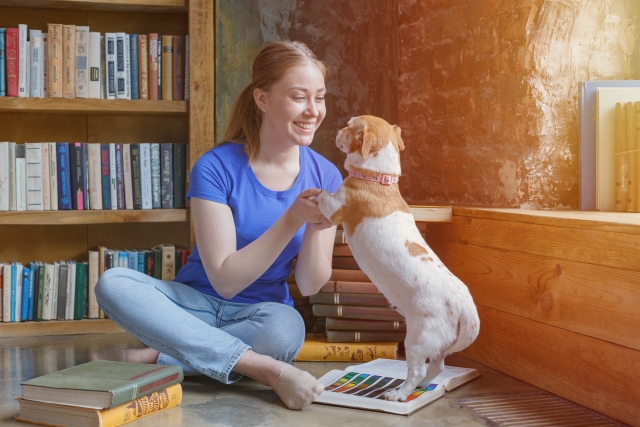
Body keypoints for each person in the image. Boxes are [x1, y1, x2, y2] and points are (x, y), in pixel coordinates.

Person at [92, 40, 343, 410]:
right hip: (193, 303)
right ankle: (265, 369)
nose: (313, 111)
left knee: (288, 329)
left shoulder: (327, 174)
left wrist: (318, 225)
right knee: (112, 283)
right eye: (298, 97)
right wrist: (292, 218)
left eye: (319, 98)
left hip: (261, 315)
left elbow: (309, 283)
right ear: (262, 99)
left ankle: (161, 356)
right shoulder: (215, 167)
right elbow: (226, 281)